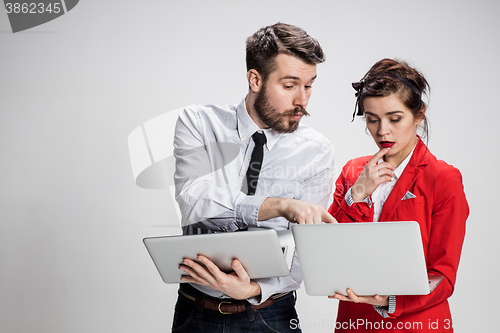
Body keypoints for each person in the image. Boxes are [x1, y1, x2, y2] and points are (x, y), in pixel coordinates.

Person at [171, 23, 336, 332]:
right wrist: (278, 206)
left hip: (270, 315)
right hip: (196, 312)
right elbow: (194, 200)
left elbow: (305, 252)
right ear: (255, 79)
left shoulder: (317, 151)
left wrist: (253, 290)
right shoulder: (198, 124)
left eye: (309, 85)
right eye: (290, 85)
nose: (303, 99)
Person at [327, 58, 469, 332]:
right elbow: (327, 250)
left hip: (417, 323)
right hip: (354, 320)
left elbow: (443, 275)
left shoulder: (443, 179)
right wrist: (357, 194)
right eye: (372, 119)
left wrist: (389, 300)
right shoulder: (353, 170)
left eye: (394, 119)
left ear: (418, 115)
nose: (382, 131)